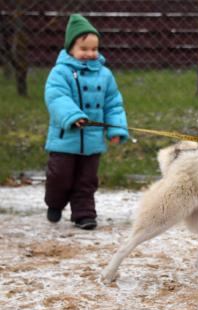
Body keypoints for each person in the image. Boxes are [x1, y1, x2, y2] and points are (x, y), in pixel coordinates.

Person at [43, 14, 129, 230]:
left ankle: (84, 214)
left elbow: (113, 103)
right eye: (84, 49)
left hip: (92, 142)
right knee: (60, 177)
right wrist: (73, 116)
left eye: (94, 49)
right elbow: (56, 97)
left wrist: (116, 129)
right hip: (65, 139)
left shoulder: (105, 75)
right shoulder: (60, 72)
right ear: (71, 48)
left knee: (87, 180)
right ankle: (55, 203)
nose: (90, 54)